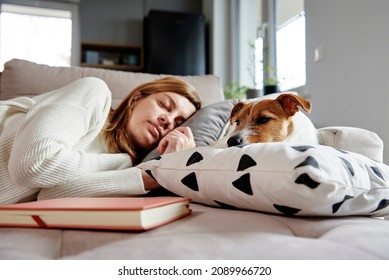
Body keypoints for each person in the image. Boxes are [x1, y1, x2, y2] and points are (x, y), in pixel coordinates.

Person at [0, 77, 201, 205]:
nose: (168, 120)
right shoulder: (95, 93)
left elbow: (49, 198)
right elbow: (32, 164)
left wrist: (163, 171)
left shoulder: (124, 167)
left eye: (178, 123)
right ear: (136, 99)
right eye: (164, 105)